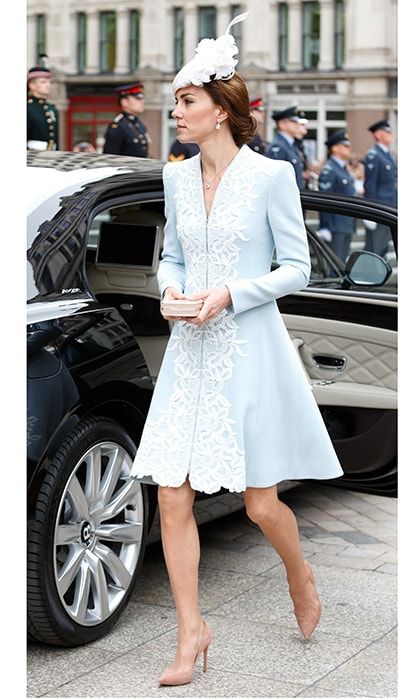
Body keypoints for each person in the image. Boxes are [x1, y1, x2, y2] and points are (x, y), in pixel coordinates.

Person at [130, 10, 343, 688]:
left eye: (186, 102)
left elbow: (297, 269)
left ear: (220, 109)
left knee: (258, 503)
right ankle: (192, 633)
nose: (178, 113)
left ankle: (298, 572)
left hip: (247, 349)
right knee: (171, 497)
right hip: (188, 352)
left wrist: (230, 294)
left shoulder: (272, 176)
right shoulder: (174, 177)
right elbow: (169, 257)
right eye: (176, 104)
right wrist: (170, 293)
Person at [318, 130, 357, 262]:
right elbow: (324, 200)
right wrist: (325, 226)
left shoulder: (343, 169)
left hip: (346, 224)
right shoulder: (330, 169)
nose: (350, 149)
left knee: (342, 267)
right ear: (335, 148)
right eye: (346, 146)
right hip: (335, 226)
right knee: (334, 268)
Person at [363, 119, 397, 257]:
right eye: (387, 132)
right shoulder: (374, 155)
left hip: (389, 208)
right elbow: (370, 184)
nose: (391, 134)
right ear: (378, 134)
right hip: (379, 209)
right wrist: (370, 213)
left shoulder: (388, 155)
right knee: (375, 249)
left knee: (384, 249)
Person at [103, 82, 151, 157]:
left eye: (142, 98)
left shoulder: (139, 123)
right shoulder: (117, 126)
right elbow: (110, 158)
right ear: (124, 102)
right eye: (137, 98)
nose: (142, 101)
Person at [266, 106, 305, 189]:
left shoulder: (291, 145)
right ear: (282, 124)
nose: (298, 125)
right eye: (293, 121)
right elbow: (276, 181)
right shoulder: (278, 147)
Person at [27, 64, 59, 151]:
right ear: (32, 85)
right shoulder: (27, 108)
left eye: (49, 82)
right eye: (43, 82)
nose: (48, 85)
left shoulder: (52, 109)